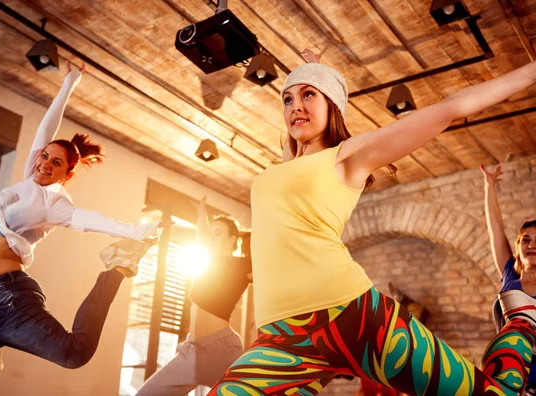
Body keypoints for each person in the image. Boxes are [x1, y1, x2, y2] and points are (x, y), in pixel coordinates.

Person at [207, 48, 536, 395]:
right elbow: (292, 163)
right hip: (284, 337)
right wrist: (312, 71)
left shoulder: (347, 157)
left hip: (354, 316)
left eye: (308, 95)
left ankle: (521, 322)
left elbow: (448, 110)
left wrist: (530, 73)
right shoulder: (284, 165)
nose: (295, 106)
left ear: (332, 104)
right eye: (287, 99)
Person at [0, 61, 172, 384]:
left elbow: (88, 220)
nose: (45, 163)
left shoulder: (53, 202)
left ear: (67, 175)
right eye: (44, 156)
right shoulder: (28, 181)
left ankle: (117, 267)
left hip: (9, 298)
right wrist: (69, 82)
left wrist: (133, 231)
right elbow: (46, 128)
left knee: (74, 352)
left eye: (55, 162)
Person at [137, 196, 252, 395]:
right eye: (211, 233)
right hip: (191, 350)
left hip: (220, 350)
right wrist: (201, 214)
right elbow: (202, 236)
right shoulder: (209, 263)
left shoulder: (243, 265)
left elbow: (267, 270)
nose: (211, 237)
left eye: (218, 233)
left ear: (232, 238)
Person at [481, 164, 536, 395]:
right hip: (503, 370)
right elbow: (495, 228)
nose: (531, 245)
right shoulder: (510, 273)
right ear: (518, 245)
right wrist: (489, 185)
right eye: (526, 239)